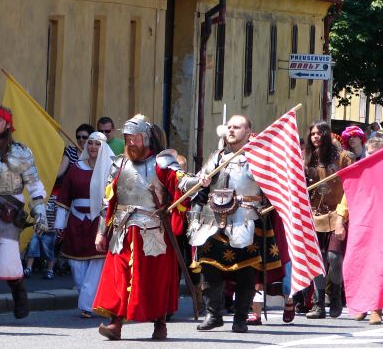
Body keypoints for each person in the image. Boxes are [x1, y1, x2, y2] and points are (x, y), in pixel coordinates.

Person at [181, 115, 282, 333]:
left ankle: (240, 318)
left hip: (245, 219)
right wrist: (199, 183)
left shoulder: (257, 159)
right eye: (229, 127)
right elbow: (196, 187)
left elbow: (274, 189)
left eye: (237, 127)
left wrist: (268, 205)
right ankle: (214, 314)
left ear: (248, 132)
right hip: (213, 220)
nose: (231, 131)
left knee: (245, 271)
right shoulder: (216, 157)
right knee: (208, 267)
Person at [93, 114, 183, 341]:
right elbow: (108, 201)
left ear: (145, 138)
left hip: (152, 230)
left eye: (134, 138)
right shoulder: (119, 164)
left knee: (155, 279)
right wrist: (101, 232)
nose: (130, 143)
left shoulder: (162, 163)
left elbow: (180, 181)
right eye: (127, 138)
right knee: (118, 278)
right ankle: (115, 324)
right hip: (122, 230)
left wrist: (197, 181)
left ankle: (160, 323)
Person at [0, 106, 48, 325]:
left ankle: (20, 296)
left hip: (10, 213)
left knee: (9, 261)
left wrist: (41, 215)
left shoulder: (21, 152)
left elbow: (34, 185)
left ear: (7, 124)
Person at [55, 131, 114, 318]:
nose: (93, 147)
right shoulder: (76, 167)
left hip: (100, 221)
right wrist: (59, 222)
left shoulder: (111, 169)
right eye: (90, 143)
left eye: (97, 144)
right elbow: (64, 196)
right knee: (76, 266)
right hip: (76, 220)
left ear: (103, 147)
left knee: (96, 264)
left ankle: (87, 306)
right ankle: (88, 299)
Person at [304, 121, 353, 319]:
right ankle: (318, 304)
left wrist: (342, 217)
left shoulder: (343, 157)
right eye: (312, 133)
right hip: (314, 214)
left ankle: (335, 296)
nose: (315, 136)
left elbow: (350, 187)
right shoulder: (307, 159)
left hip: (337, 213)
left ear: (326, 134)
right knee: (317, 261)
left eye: (319, 133)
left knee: (334, 258)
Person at [337, 136, 383, 324]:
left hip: (380, 224)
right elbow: (347, 198)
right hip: (363, 225)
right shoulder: (361, 171)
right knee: (356, 263)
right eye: (369, 154)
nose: (370, 158)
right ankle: (362, 304)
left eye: (375, 155)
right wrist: (340, 220)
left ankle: (376, 307)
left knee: (378, 266)